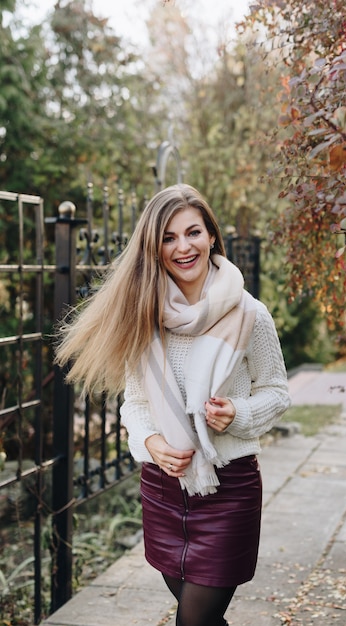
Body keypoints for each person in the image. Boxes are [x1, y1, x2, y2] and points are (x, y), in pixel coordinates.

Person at [55, 183, 290, 626]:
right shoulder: (144, 313)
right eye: (168, 237)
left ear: (212, 237)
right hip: (164, 490)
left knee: (194, 621)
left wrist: (237, 414)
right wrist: (151, 440)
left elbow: (277, 392)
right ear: (154, 247)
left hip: (228, 489)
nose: (183, 246)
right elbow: (136, 403)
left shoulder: (249, 314)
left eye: (193, 232)